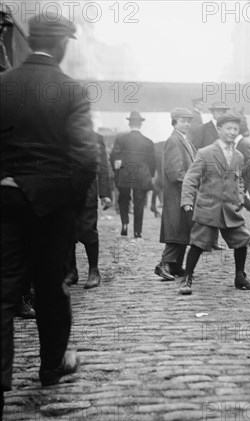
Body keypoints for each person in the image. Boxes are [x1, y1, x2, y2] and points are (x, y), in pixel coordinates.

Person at [1, 13, 98, 393]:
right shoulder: (70, 89)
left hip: (4, 199)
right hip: (51, 206)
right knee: (51, 287)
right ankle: (51, 367)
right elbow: (86, 157)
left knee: (3, 289)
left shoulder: (3, 84)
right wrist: (66, 204)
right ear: (61, 44)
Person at [180, 113, 250, 294]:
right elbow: (191, 179)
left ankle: (240, 277)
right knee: (199, 243)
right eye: (228, 128)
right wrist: (187, 201)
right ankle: (187, 278)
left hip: (230, 209)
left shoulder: (238, 156)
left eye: (235, 129)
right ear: (219, 130)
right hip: (209, 207)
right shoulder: (205, 153)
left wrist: (240, 198)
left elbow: (238, 180)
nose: (232, 132)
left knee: (241, 241)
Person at [65, 133, 112, 289]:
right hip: (65, 192)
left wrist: (105, 193)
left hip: (87, 192)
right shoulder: (60, 133)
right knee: (67, 232)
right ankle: (71, 271)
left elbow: (103, 167)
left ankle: (94, 271)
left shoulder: (95, 137)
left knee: (88, 230)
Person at [154, 108, 197, 282]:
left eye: (189, 121)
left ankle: (176, 266)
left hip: (184, 193)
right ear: (174, 122)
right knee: (176, 230)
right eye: (182, 120)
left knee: (183, 229)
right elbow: (174, 172)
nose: (186, 124)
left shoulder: (184, 140)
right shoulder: (173, 140)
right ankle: (163, 265)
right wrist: (191, 183)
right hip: (177, 193)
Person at [110, 111, 156, 238]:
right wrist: (150, 174)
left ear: (129, 123)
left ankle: (124, 223)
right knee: (139, 203)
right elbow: (152, 162)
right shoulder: (148, 142)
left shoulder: (121, 139)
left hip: (125, 173)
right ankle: (137, 231)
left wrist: (117, 171)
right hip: (141, 175)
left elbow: (114, 156)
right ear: (141, 124)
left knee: (123, 199)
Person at [150, 140, 166, 218]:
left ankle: (154, 206)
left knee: (156, 188)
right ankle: (158, 204)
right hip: (161, 170)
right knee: (158, 188)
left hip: (157, 170)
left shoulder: (154, 146)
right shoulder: (165, 145)